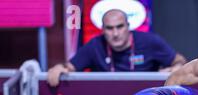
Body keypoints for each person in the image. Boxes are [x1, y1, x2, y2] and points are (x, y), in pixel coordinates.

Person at [47, 9, 186, 87]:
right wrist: (59, 68)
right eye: (109, 28)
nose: (115, 33)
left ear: (128, 26)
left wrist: (177, 67)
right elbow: (69, 66)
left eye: (120, 26)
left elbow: (179, 60)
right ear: (102, 30)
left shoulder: (150, 41)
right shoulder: (95, 45)